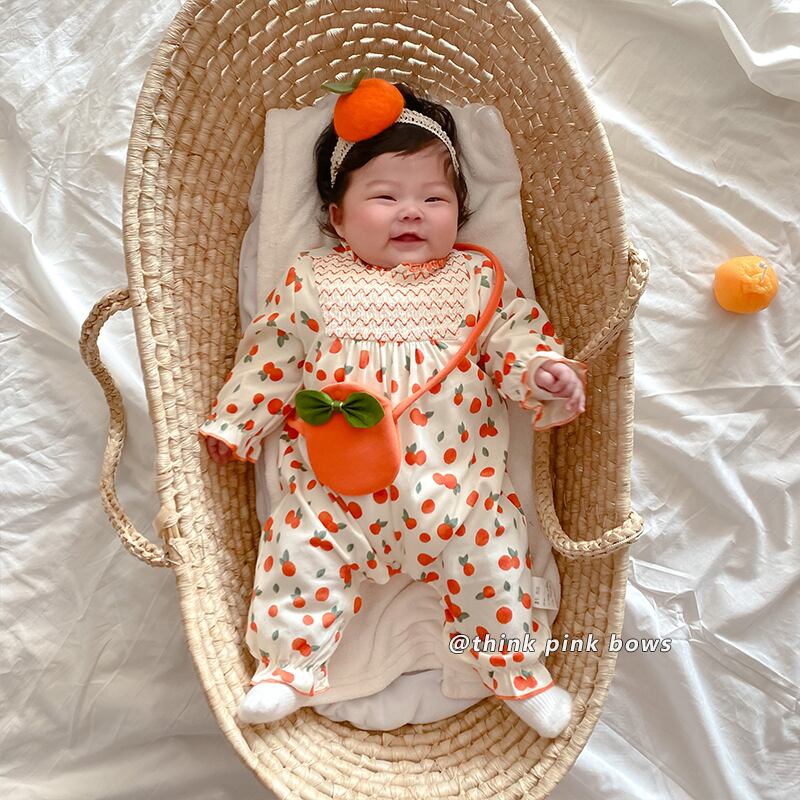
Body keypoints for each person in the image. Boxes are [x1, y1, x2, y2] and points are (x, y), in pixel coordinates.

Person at [198, 76, 587, 738]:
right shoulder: (313, 279)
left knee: (494, 563)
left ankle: (517, 671)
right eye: (385, 197)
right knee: (298, 548)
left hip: (459, 492)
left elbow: (515, 339)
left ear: (459, 214)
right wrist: (237, 422)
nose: (412, 212)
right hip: (335, 490)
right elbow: (272, 355)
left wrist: (543, 372)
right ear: (338, 218)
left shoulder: (477, 280)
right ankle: (288, 666)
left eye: (435, 199)